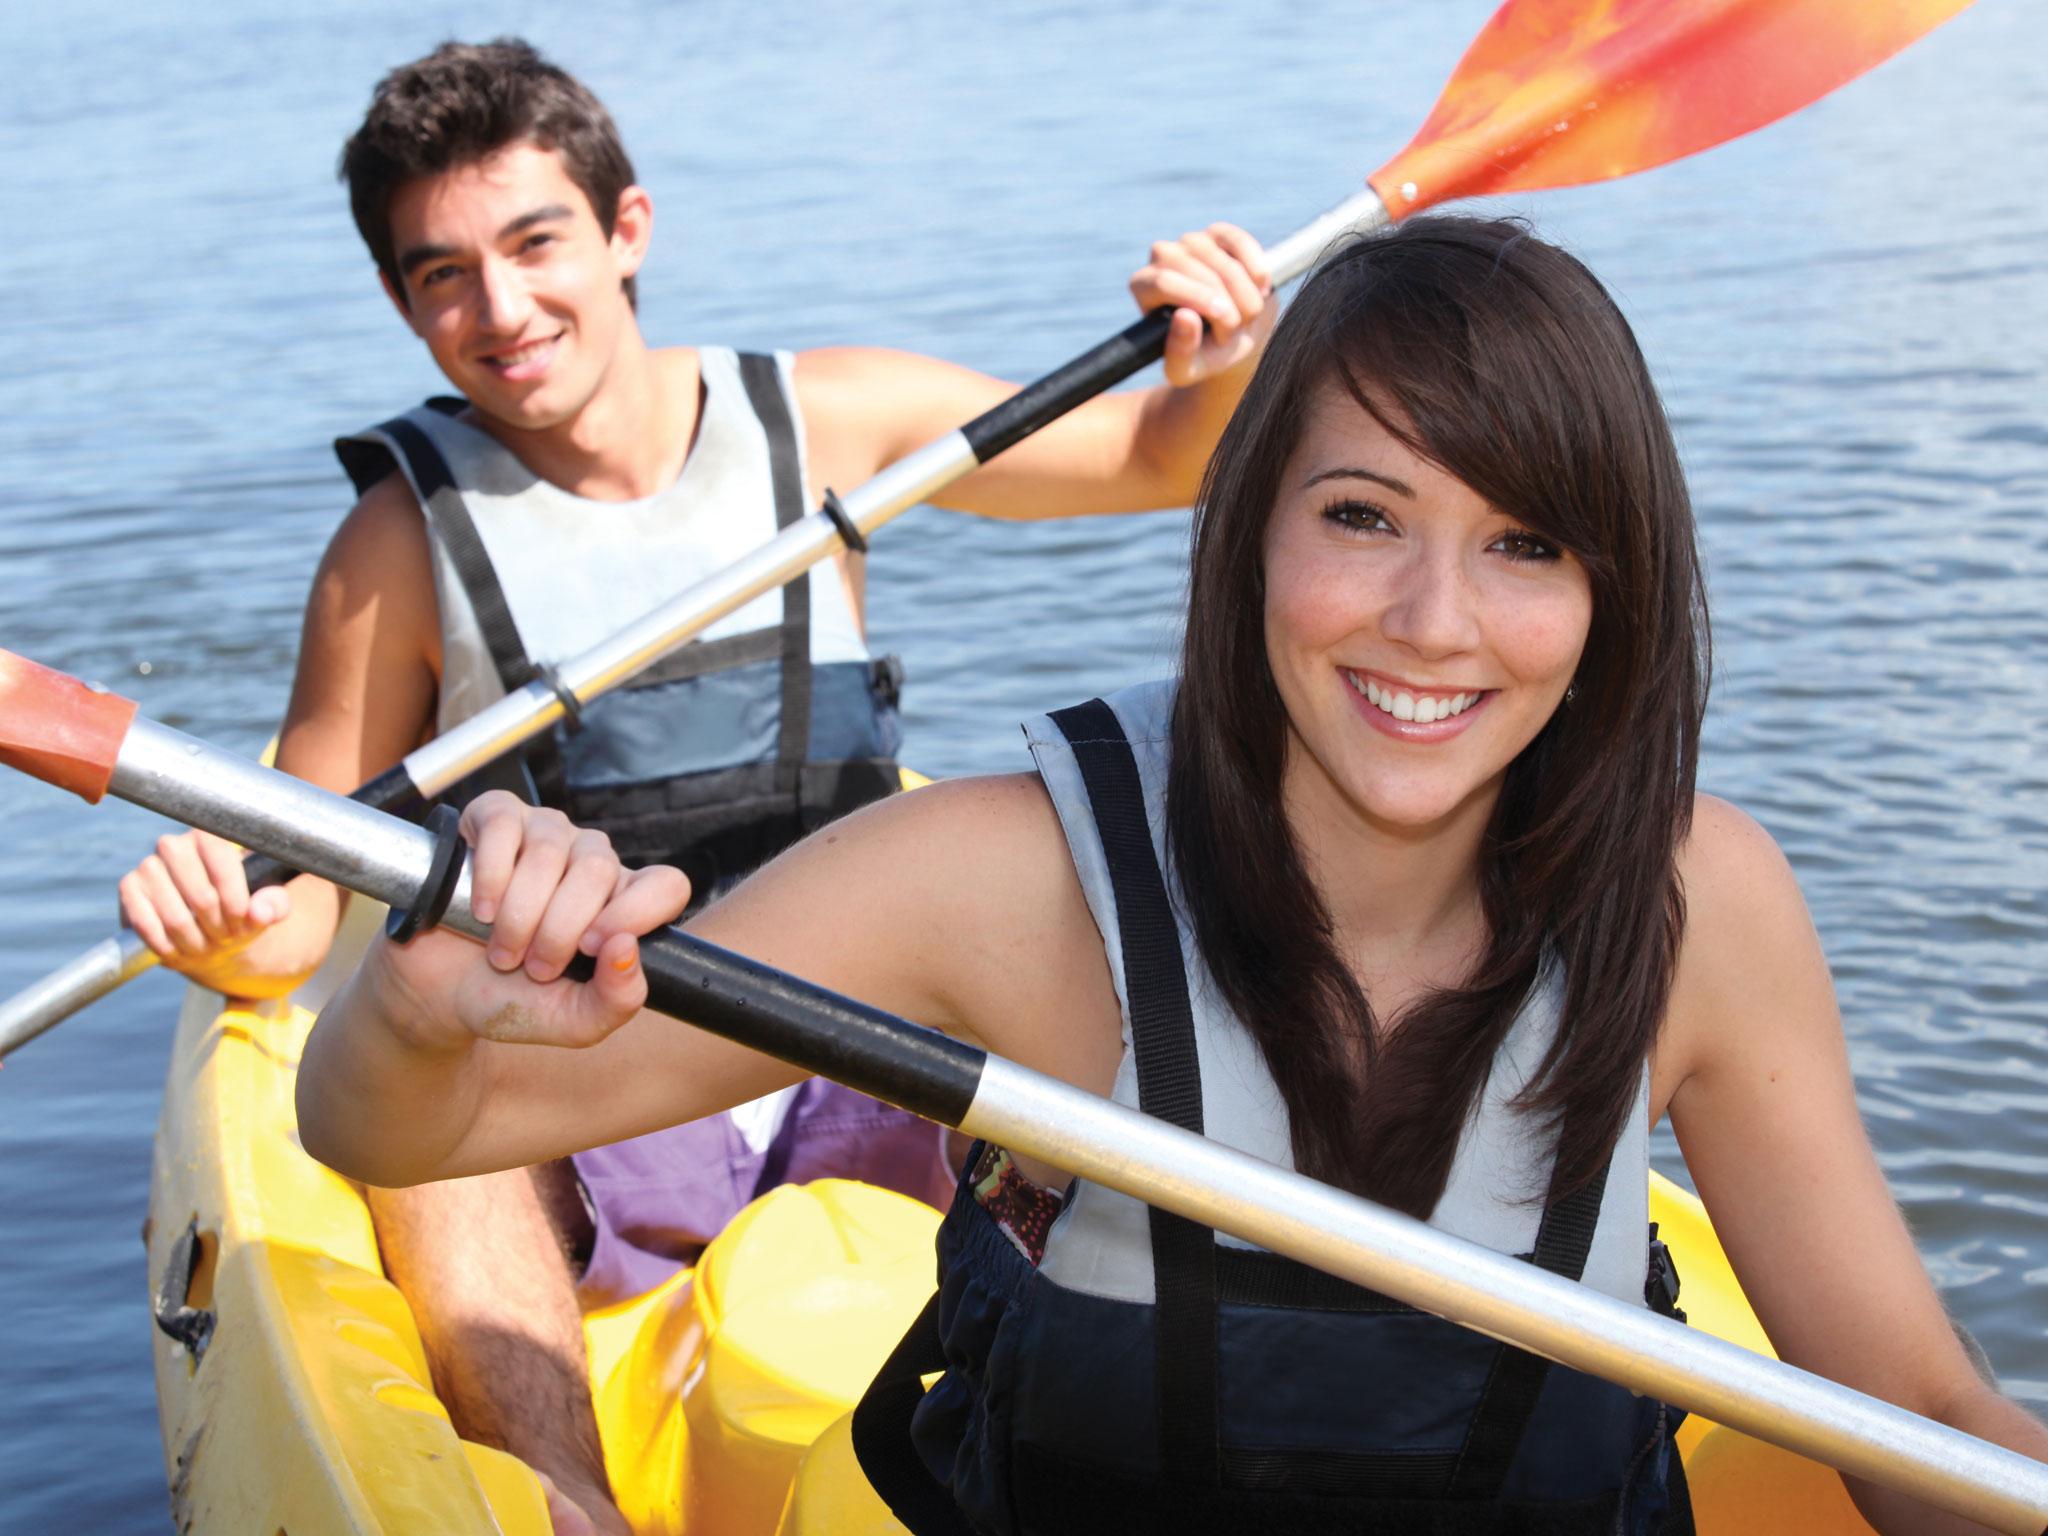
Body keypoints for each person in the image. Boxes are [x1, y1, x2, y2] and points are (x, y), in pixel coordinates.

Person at [298, 213, 2048, 1534]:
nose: (1434, 624)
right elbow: (398, 1138)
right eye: (1361, 517)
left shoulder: (1698, 904)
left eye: (1526, 545)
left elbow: (1899, 1400)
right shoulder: (1005, 878)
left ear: (1614, 600)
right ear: (1247, 532)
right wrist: (422, 1004)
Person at [112, 38, 1274, 1534]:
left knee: (1082, 973)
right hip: (595, 1051)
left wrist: (1226, 347)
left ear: (627, 232)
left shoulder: (830, 422)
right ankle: (570, 1496)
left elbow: (1164, 458)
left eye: (536, 244)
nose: (504, 310)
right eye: (443, 274)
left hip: (867, 1022)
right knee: (422, 1080)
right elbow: (289, 912)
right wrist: (210, 909)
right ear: (405, 302)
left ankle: (1143, 1423)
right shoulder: (396, 551)